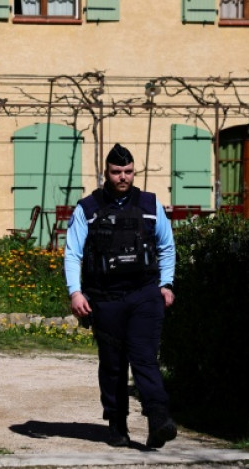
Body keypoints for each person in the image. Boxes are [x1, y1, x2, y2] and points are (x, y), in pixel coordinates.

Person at [64, 143, 177, 449]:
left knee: (144, 359)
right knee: (113, 363)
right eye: (116, 172)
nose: (122, 177)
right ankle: (117, 424)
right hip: (105, 297)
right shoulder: (88, 208)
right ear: (106, 173)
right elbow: (73, 253)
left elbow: (166, 247)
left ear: (134, 172)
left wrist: (166, 285)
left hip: (144, 294)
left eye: (127, 171)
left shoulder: (151, 206)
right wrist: (75, 292)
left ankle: (158, 420)